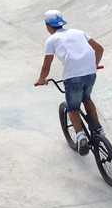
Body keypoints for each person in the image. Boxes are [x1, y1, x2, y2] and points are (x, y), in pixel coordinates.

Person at [33, 10, 104, 156]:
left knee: (73, 108)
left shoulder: (51, 40)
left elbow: (47, 65)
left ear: (48, 26)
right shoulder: (79, 32)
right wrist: (94, 64)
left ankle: (81, 137)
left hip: (73, 78)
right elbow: (99, 49)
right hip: (90, 74)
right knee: (87, 98)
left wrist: (42, 80)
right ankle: (98, 129)